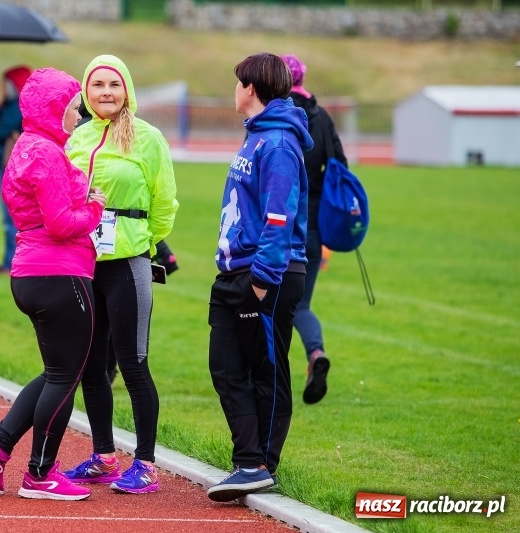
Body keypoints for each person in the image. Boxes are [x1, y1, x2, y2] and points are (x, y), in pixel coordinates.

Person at [0, 67, 107, 501]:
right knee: (66, 377)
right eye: (73, 108)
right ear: (53, 108)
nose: (78, 115)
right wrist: (96, 209)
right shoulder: (46, 153)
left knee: (56, 373)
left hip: (31, 271)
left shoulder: (27, 147)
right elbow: (62, 224)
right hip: (59, 273)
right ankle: (40, 473)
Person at [62, 55, 178, 494]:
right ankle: (104, 457)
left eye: (114, 84)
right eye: (98, 85)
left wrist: (140, 240)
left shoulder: (148, 138)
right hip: (82, 263)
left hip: (128, 263)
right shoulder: (77, 138)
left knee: (133, 363)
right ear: (86, 92)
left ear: (126, 89)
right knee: (92, 367)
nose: (106, 92)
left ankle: (145, 464)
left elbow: (165, 203)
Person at [205, 52, 312, 502]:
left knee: (266, 371)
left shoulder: (279, 143)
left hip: (267, 273)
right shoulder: (257, 136)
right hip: (235, 271)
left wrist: (262, 279)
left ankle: (260, 463)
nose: (234, 90)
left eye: (237, 83)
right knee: (225, 367)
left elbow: (278, 216)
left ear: (250, 88)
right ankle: (248, 460)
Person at [281, 54, 348, 405]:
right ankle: (315, 353)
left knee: (263, 305)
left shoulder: (272, 115)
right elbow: (340, 168)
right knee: (301, 305)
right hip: (311, 226)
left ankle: (263, 376)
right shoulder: (320, 117)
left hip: (275, 224)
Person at [0, 66, 32, 274]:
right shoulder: (10, 106)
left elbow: (0, 131)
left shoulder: (16, 107)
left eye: (6, 84)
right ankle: (11, 260)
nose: (3, 88)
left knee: (10, 217)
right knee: (9, 217)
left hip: (10, 167)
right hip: (7, 165)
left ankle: (11, 261)